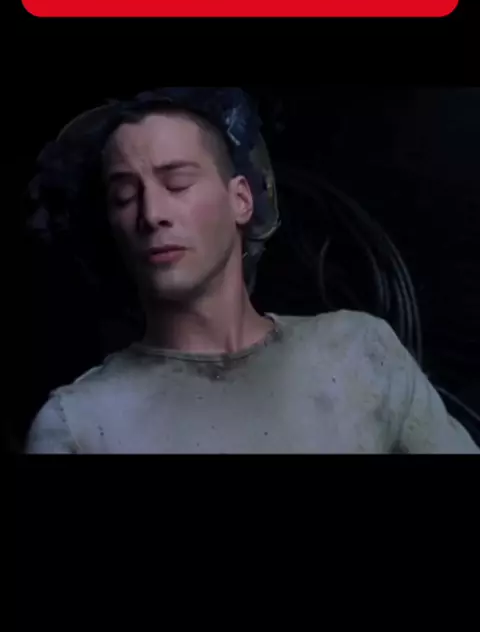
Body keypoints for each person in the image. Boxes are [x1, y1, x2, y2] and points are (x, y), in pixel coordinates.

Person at [25, 87, 479, 454]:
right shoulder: (77, 424)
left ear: (241, 200)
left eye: (177, 183)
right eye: (124, 197)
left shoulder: (359, 351)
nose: (151, 213)